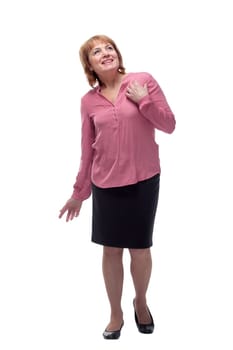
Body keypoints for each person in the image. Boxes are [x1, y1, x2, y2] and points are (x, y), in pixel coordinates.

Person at [59, 34, 176, 340]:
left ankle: (141, 302)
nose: (106, 53)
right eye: (97, 51)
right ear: (90, 65)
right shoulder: (88, 102)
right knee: (111, 250)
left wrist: (144, 100)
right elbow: (88, 149)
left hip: (143, 178)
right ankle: (115, 313)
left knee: (139, 249)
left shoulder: (142, 81)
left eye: (109, 47)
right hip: (106, 183)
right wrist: (79, 193)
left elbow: (169, 124)